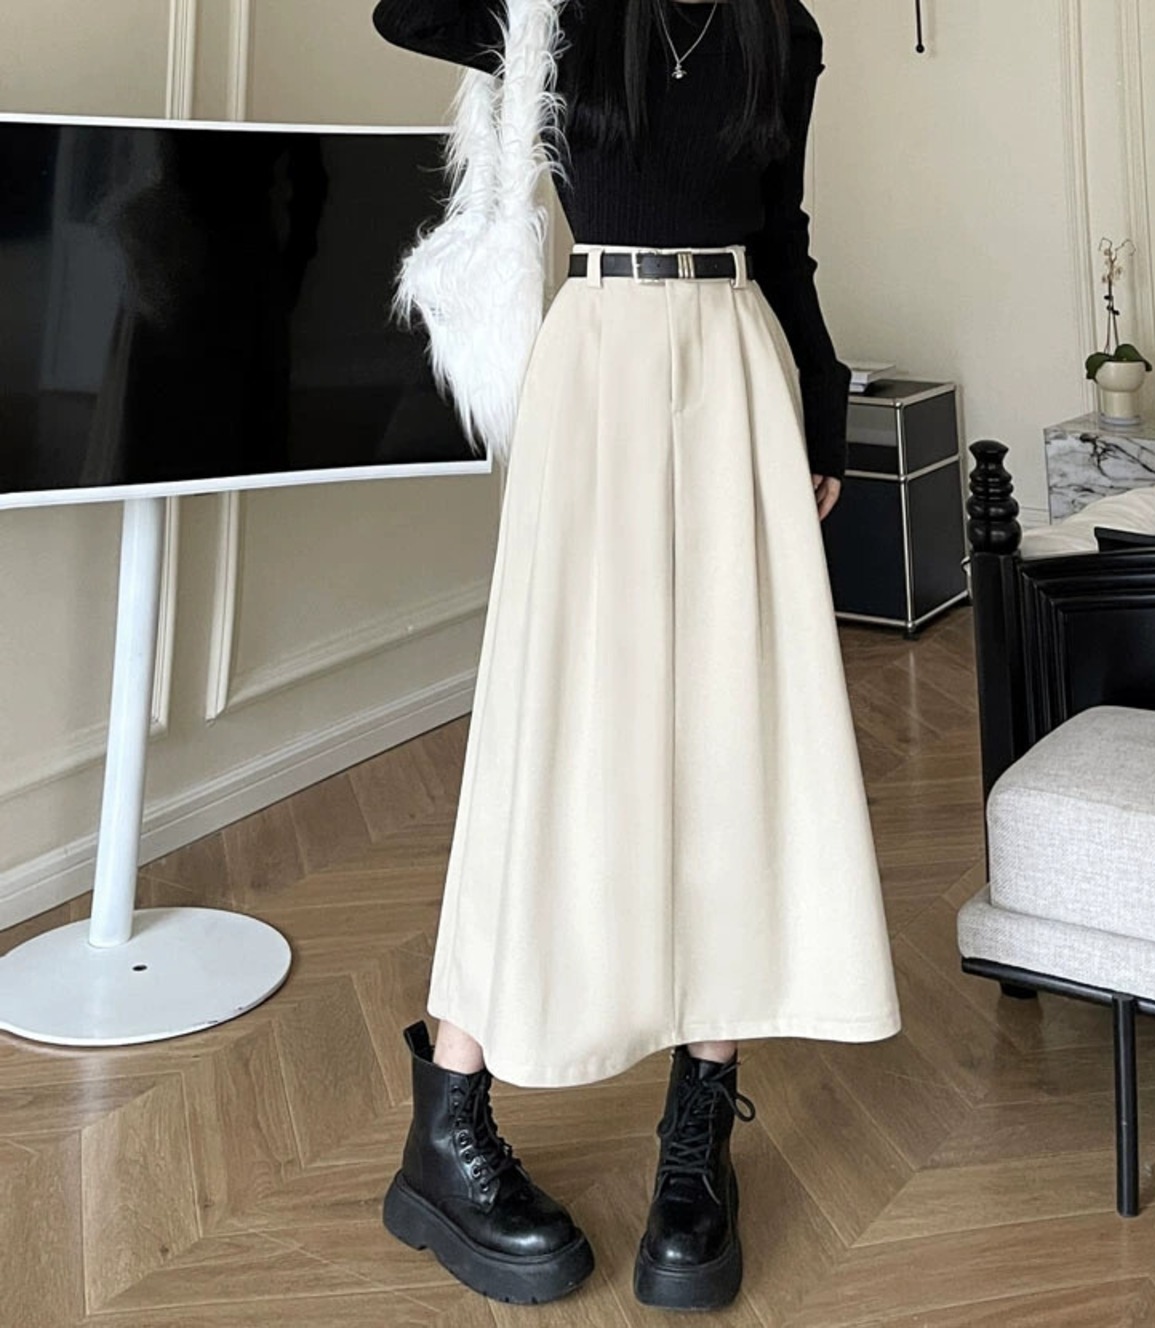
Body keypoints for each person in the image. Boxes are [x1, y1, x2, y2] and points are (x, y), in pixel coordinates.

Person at [370, 0, 901, 1312]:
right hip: (595, 363)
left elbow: (784, 235)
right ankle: (448, 1121)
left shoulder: (782, 30)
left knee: (731, 738)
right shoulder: (556, 9)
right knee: (546, 733)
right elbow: (403, 9)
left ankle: (696, 1135)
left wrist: (822, 416)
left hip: (739, 364)